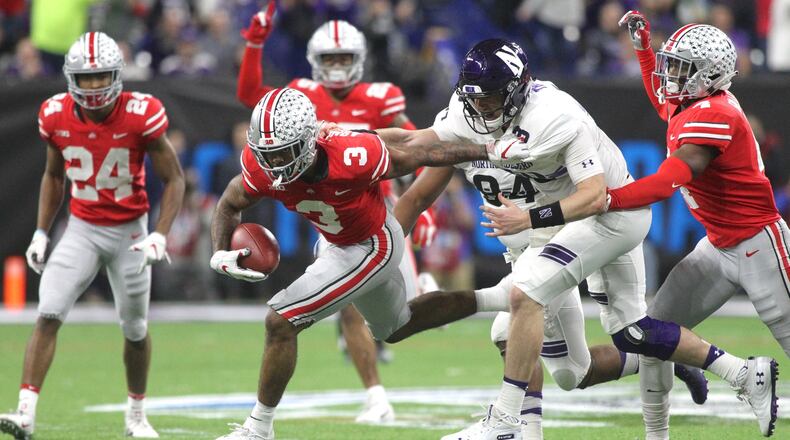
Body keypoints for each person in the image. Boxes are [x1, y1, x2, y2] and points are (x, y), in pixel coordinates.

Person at [373, 38, 776, 440]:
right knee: (590, 361)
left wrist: (527, 216)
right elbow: (414, 148)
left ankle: (507, 424)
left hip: (608, 218)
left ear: (516, 90)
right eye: (475, 99)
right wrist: (348, 141)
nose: (481, 109)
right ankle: (714, 364)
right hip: (552, 230)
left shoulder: (557, 117)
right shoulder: (465, 117)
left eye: (491, 98)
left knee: (525, 298)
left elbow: (593, 195)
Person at [210, 87, 491, 440]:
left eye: (285, 152)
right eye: (269, 154)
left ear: (308, 141)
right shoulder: (262, 167)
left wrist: (488, 150)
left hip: (372, 244)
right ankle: (498, 298)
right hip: (337, 241)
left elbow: (418, 152)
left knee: (281, 321)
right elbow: (228, 204)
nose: (276, 164)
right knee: (396, 326)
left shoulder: (350, 155)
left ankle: (258, 428)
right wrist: (220, 251)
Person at [393, 160, 708, 440]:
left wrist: (532, 220)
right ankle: (660, 353)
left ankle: (521, 431)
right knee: (573, 374)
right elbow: (419, 165)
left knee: (506, 327)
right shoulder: (461, 131)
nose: (483, 112)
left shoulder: (541, 126)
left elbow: (586, 185)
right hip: (523, 257)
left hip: (560, 245)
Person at [235, 3, 436, 423]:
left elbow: (416, 144)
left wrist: (424, 203)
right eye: (330, 59)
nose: (339, 66)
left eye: (345, 58)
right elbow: (250, 96)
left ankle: (443, 293)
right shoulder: (301, 95)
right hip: (331, 219)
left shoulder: (379, 97)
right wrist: (254, 44)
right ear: (315, 62)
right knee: (347, 303)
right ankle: (375, 396)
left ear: (360, 60)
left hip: (380, 212)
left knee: (403, 321)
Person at [605, 12, 788, 439]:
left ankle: (754, 378)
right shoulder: (692, 103)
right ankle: (657, 436)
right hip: (718, 246)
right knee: (651, 337)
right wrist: (645, 50)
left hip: (759, 245)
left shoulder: (716, 114)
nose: (670, 74)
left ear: (708, 76)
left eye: (680, 67)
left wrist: (608, 199)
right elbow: (660, 96)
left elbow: (667, 181)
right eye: (671, 64)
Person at [0, 32, 185, 440]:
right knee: (48, 312)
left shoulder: (141, 113)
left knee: (135, 329)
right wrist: (40, 233)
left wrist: (160, 234)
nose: (95, 86)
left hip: (130, 233)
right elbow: (53, 174)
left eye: (102, 77)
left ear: (116, 76)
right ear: (71, 79)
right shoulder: (55, 114)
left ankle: (136, 415)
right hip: (82, 228)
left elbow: (174, 179)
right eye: (87, 78)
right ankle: (26, 412)